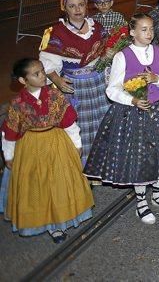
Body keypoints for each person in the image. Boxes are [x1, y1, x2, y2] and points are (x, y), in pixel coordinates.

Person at [84, 14, 159, 223]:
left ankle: (157, 193)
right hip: (134, 112)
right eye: (143, 29)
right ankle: (141, 201)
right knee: (140, 156)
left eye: (150, 29)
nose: (148, 33)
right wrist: (131, 100)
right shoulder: (122, 56)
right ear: (132, 32)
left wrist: (157, 79)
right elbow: (112, 89)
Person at [2, 58, 93, 243]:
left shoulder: (54, 95)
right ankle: (50, 224)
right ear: (23, 80)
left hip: (57, 142)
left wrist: (77, 144)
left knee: (59, 184)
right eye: (36, 74)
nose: (43, 75)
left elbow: (69, 122)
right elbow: (10, 132)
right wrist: (9, 155)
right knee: (38, 186)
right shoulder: (17, 103)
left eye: (42, 71)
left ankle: (59, 223)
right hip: (31, 147)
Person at [39, 0, 110, 163]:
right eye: (72, 6)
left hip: (99, 83)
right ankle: (83, 167)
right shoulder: (55, 32)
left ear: (86, 6)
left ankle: (102, 165)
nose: (77, 9)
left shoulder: (98, 27)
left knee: (103, 122)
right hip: (74, 86)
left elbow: (106, 52)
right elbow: (47, 62)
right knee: (80, 126)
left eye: (81, 4)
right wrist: (57, 80)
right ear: (65, 9)